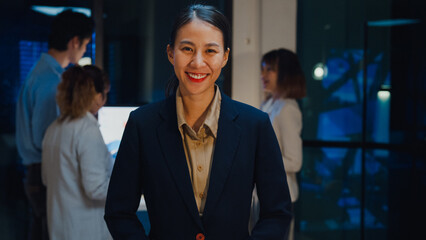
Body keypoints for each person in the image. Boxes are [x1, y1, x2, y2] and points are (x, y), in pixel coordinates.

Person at [104, 4, 292, 240]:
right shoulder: (143, 124)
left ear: (225, 56)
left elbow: (277, 213)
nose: (198, 62)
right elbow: (118, 212)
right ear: (171, 53)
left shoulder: (255, 125)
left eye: (210, 51)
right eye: (187, 49)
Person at [15, 10, 93, 240]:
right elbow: (46, 138)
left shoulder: (42, 73)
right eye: (85, 44)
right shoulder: (50, 81)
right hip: (43, 171)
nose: (85, 50)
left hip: (37, 171)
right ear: (74, 41)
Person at [41, 65, 112, 240]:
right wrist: (132, 187)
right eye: (105, 93)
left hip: (60, 228)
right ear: (95, 95)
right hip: (86, 229)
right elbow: (96, 189)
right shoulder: (87, 130)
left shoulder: (53, 129)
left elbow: (45, 179)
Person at [251, 48, 306, 240]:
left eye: (270, 70)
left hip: (280, 196)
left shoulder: (287, 109)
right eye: (263, 69)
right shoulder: (268, 105)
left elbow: (295, 161)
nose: (263, 75)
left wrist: (259, 161)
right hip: (263, 193)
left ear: (285, 73)